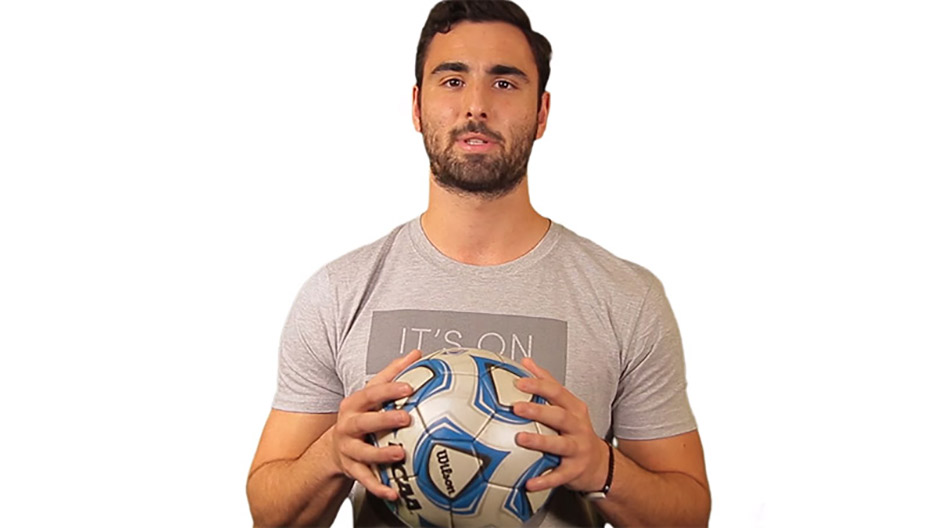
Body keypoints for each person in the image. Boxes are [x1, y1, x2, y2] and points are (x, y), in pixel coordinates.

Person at [246, 1, 710, 526]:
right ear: (417, 106)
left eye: (505, 83)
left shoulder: (625, 297)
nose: (476, 106)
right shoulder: (338, 292)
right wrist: (332, 454)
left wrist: (603, 467)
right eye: (452, 81)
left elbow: (689, 513)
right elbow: (270, 513)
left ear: (542, 112)